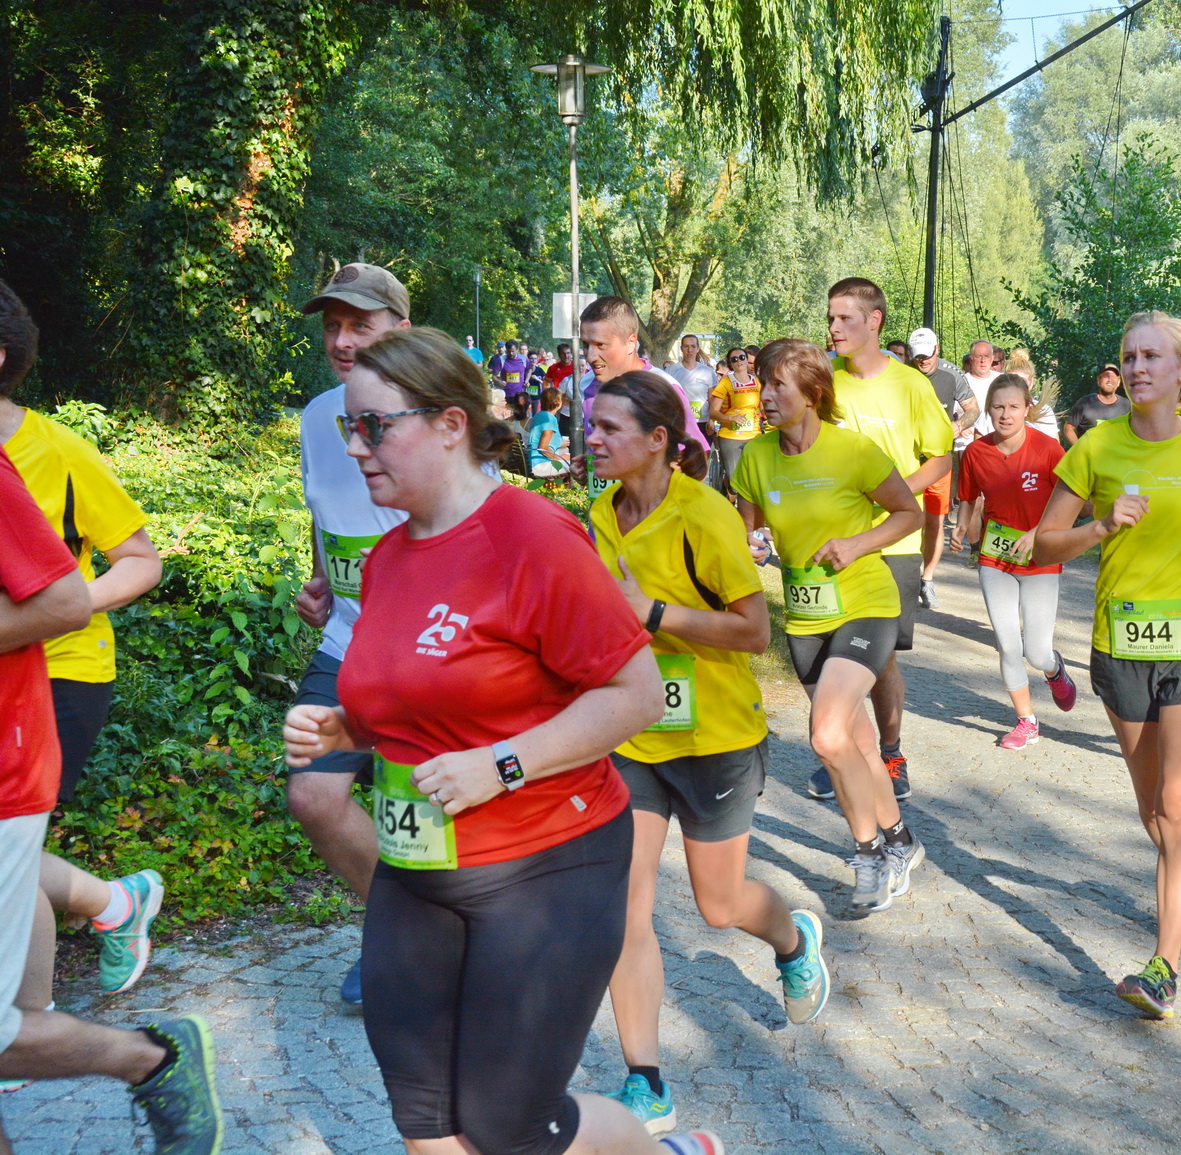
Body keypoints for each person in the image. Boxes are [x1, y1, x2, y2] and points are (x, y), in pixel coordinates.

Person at [282, 327, 722, 1155]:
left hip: (546, 871)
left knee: (511, 1127)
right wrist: (345, 727)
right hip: (418, 875)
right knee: (428, 1128)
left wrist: (502, 764)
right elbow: (411, 707)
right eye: (348, 427)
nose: (355, 448)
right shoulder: (385, 559)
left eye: (374, 426)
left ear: (451, 425)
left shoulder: (534, 536)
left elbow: (632, 694)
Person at [588, 371, 828, 1135]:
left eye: (608, 429)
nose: (590, 438)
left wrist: (652, 612)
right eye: (590, 426)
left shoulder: (706, 515)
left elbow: (756, 632)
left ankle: (793, 939)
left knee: (718, 906)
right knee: (624, 907)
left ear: (658, 440)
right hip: (631, 735)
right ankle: (646, 1079)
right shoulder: (599, 511)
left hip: (718, 734)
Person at [1033, 310, 1181, 1022]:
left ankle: (1163, 967)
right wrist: (1100, 527)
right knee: (1154, 811)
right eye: (1129, 356)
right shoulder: (1097, 446)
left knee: (1177, 801)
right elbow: (1042, 544)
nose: (1135, 367)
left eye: (1150, 357)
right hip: (1123, 646)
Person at [0, 444, 223, 1154]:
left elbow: (100, 580)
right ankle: (103, 920)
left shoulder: (50, 450)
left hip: (42, 704)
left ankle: (64, 1027)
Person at [0, 281, 168, 1011]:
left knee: (10, 851)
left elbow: (142, 558)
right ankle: (116, 905)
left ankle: (24, 1026)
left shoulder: (57, 448)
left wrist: (62, 609)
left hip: (64, 674)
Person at [733, 337, 927, 913]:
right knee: (855, 743)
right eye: (761, 383)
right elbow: (747, 530)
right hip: (805, 616)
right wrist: (751, 542)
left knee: (824, 735)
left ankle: (868, 855)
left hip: (865, 605)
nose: (764, 395)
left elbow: (908, 511)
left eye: (777, 385)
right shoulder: (756, 458)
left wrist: (858, 542)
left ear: (813, 392)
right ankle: (901, 840)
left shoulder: (854, 451)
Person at [289, 263, 416, 1008]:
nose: (340, 340)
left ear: (399, 329)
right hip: (346, 645)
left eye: (358, 325)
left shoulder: (440, 415)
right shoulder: (315, 415)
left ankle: (450, 943)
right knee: (314, 795)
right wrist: (321, 581)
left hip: (427, 654)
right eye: (332, 325)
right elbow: (323, 510)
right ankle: (399, 931)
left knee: (430, 815)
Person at [823, 279, 954, 804]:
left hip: (893, 541)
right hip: (831, 540)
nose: (833, 329)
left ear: (873, 321)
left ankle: (891, 752)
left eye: (844, 319)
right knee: (834, 651)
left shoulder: (911, 386)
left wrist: (890, 495)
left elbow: (940, 460)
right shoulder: (824, 379)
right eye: (830, 319)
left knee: (879, 661)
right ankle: (844, 748)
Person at [952, 374, 1076, 749]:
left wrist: (1038, 533)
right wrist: (960, 530)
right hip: (995, 558)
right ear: (988, 409)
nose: (1005, 415)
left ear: (1027, 409)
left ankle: (1055, 670)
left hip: (1040, 559)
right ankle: (1026, 721)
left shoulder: (1049, 449)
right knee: (1008, 645)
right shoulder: (976, 453)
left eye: (1013, 407)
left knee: (1036, 652)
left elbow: (1070, 505)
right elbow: (970, 499)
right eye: (998, 407)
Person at [576, 298, 709, 503]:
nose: (591, 356)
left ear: (630, 342)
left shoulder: (663, 387)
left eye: (601, 345)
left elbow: (694, 463)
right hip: (603, 527)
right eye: (586, 345)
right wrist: (592, 465)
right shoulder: (586, 385)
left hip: (654, 528)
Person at [908, 327, 975, 612]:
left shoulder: (951, 374)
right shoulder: (904, 374)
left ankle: (928, 578)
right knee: (906, 516)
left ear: (937, 349)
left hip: (938, 458)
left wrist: (958, 425)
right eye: (917, 357)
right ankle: (903, 576)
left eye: (926, 355)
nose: (922, 361)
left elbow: (973, 408)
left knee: (934, 521)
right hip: (908, 457)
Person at [708, 347, 760, 496]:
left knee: (752, 480)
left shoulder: (757, 382)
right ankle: (727, 489)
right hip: (731, 436)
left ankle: (745, 515)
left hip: (754, 435)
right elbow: (713, 411)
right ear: (730, 364)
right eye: (734, 359)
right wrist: (731, 418)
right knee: (735, 484)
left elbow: (763, 406)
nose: (739, 361)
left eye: (742, 357)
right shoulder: (726, 382)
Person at [1064, 363, 1129, 446]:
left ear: (1119, 381)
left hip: (1118, 457)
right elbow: (1068, 428)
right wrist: (1080, 449)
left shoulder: (1127, 406)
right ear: (1098, 380)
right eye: (1106, 376)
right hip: (1091, 457)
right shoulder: (1085, 403)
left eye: (1113, 376)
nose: (1109, 379)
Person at [667, 334, 718, 426]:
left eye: (693, 346)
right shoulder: (670, 370)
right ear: (681, 348)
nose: (689, 350)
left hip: (702, 421)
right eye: (686, 346)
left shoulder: (708, 372)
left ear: (698, 349)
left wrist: (712, 419)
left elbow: (712, 398)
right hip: (680, 421)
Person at [528, 388, 572, 478]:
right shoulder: (549, 419)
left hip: (532, 460)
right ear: (559, 403)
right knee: (579, 465)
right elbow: (543, 448)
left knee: (568, 454)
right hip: (541, 464)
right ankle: (572, 490)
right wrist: (561, 458)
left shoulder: (539, 415)